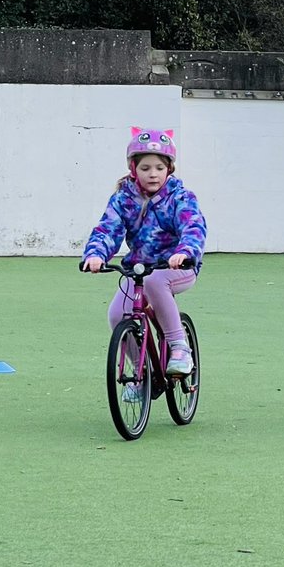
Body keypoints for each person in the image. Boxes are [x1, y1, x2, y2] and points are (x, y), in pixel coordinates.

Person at [82, 127, 207, 402]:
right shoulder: (123, 199)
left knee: (155, 281)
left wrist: (185, 252)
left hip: (178, 268)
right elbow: (107, 229)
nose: (153, 174)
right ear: (133, 168)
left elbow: (193, 227)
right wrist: (95, 255)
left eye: (160, 167)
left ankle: (178, 347)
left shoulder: (180, 197)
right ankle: (141, 374)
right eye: (146, 167)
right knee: (117, 315)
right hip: (138, 269)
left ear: (169, 169)